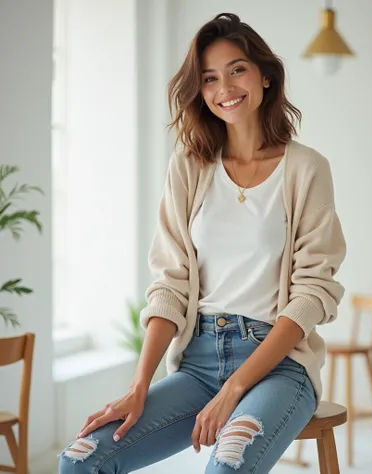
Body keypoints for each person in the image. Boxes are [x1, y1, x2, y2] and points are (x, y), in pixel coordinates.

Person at [58, 12, 346, 474]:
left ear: (265, 77)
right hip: (197, 362)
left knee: (227, 465)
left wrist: (234, 389)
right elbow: (169, 285)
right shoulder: (189, 165)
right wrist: (138, 386)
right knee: (80, 461)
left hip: (277, 363)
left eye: (237, 69)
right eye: (209, 78)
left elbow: (312, 294)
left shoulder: (306, 168)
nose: (224, 87)